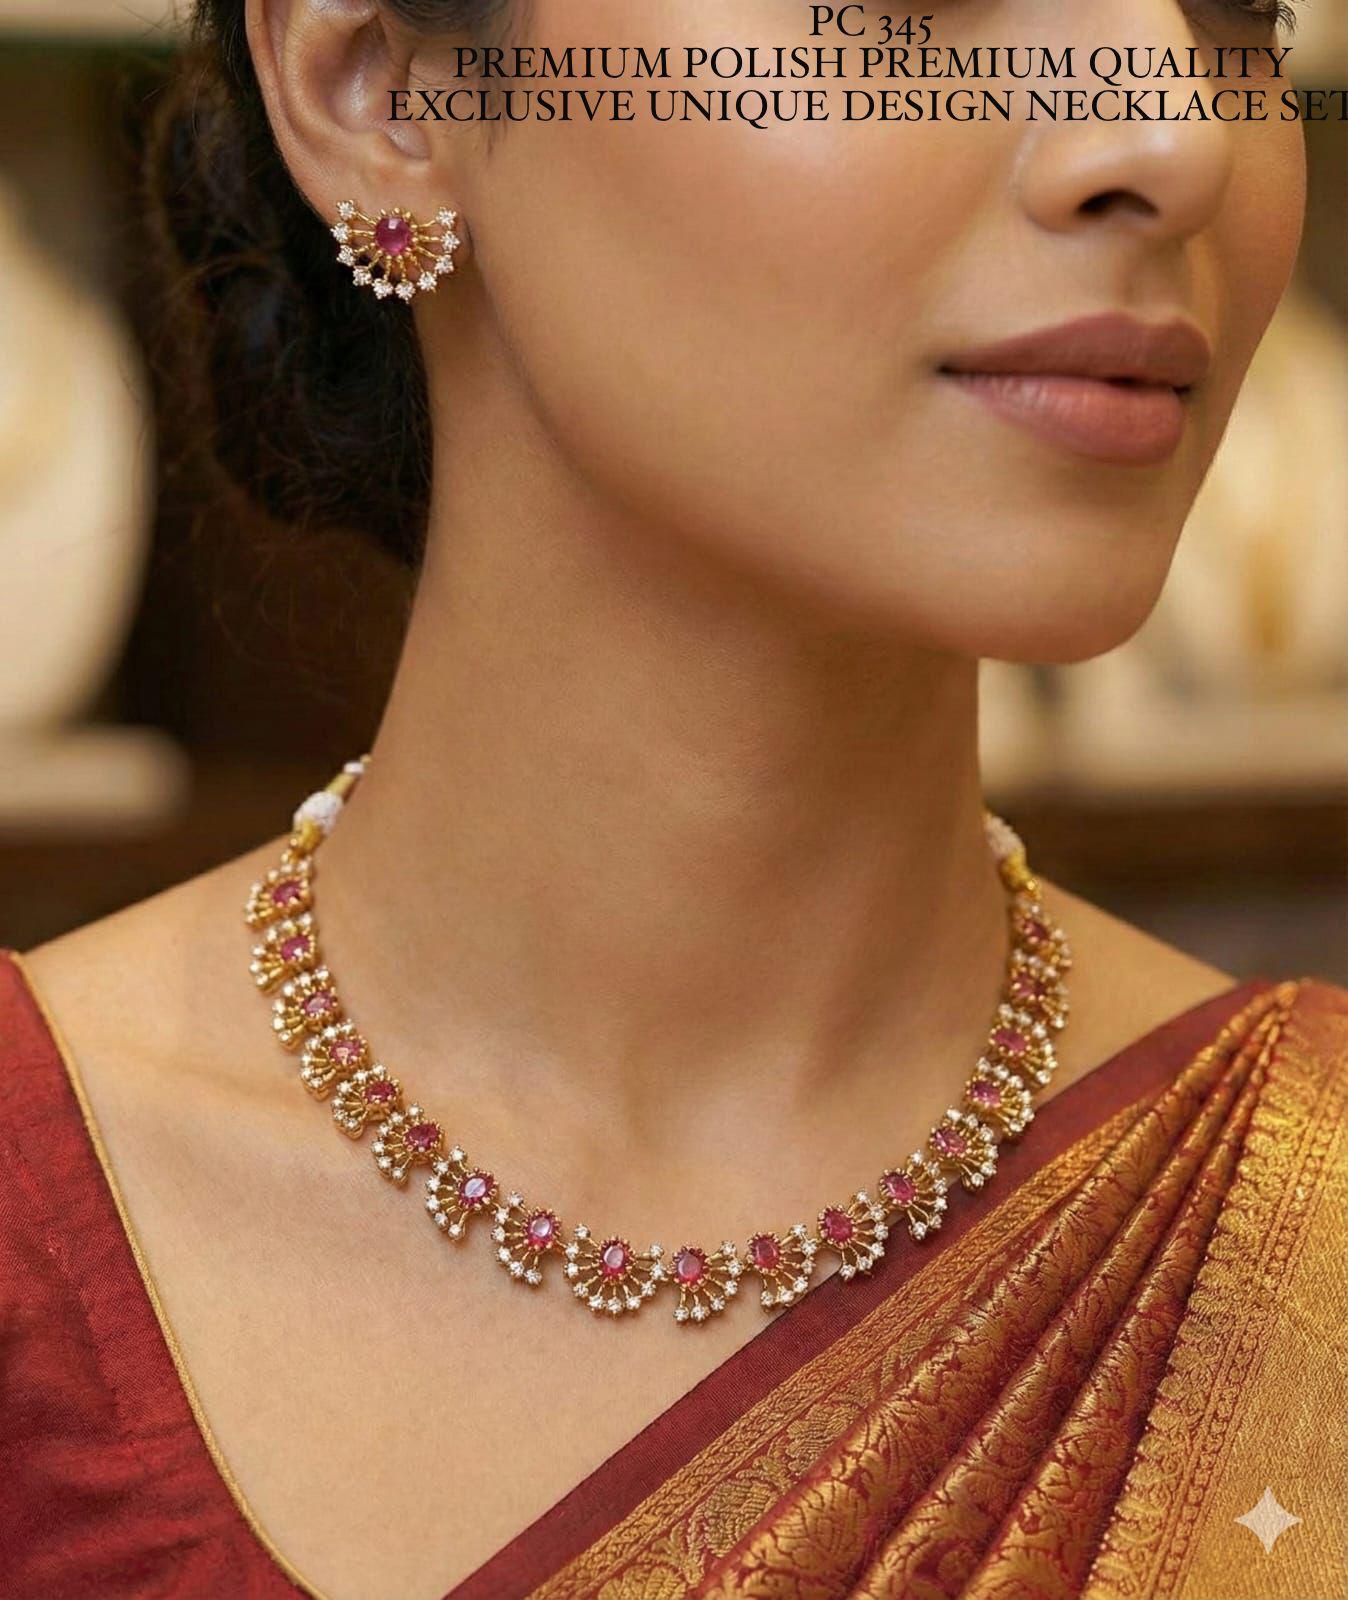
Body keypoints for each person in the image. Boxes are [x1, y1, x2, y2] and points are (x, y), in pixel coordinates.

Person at [2, 1, 1343, 1597]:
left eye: (1239, 11)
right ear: (379, 89)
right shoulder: (38, 1249)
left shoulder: (1305, 1229)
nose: (1172, 136)